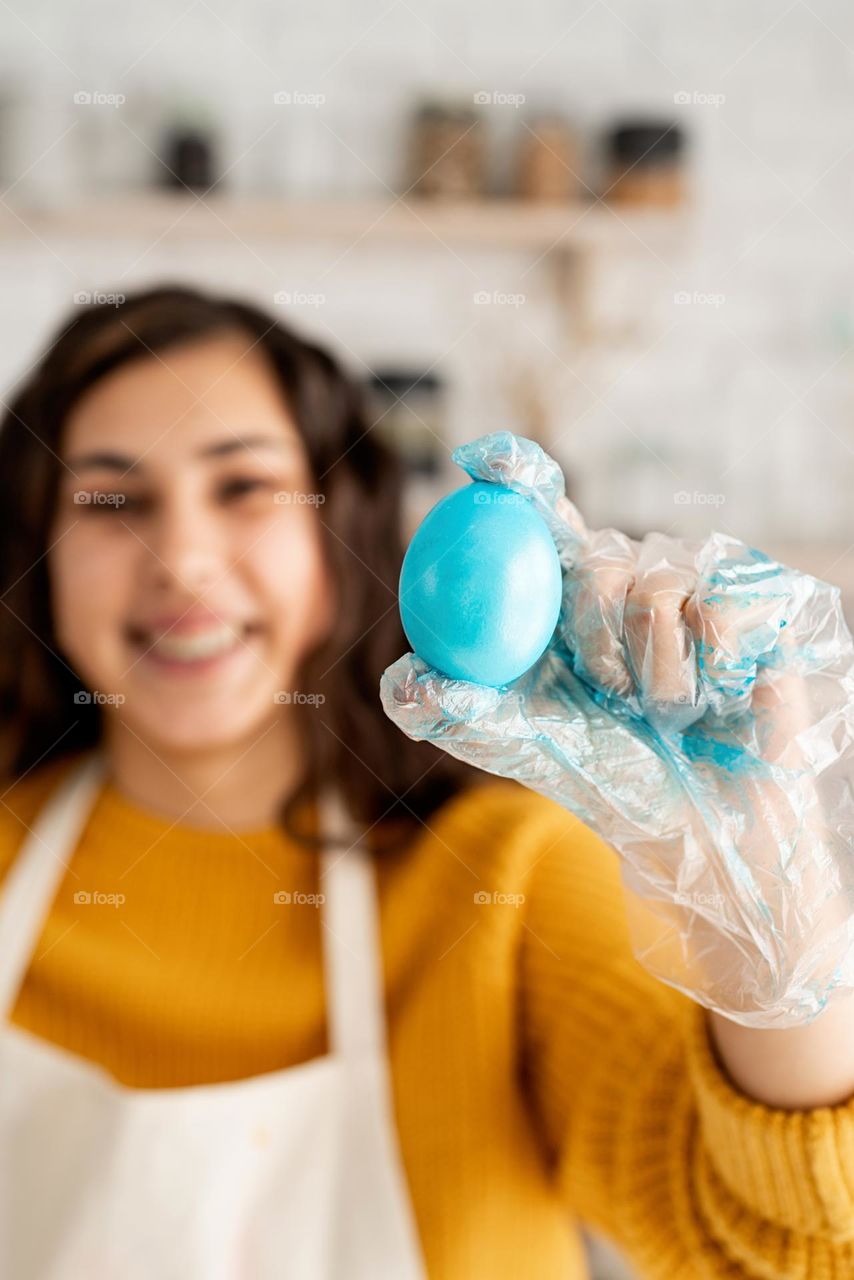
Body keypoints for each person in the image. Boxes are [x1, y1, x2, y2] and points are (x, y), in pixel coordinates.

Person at [0, 283, 852, 1279]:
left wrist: (764, 929)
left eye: (243, 487)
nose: (181, 559)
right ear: (40, 558)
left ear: (336, 532)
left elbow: (779, 1247)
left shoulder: (502, 881)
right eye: (111, 500)